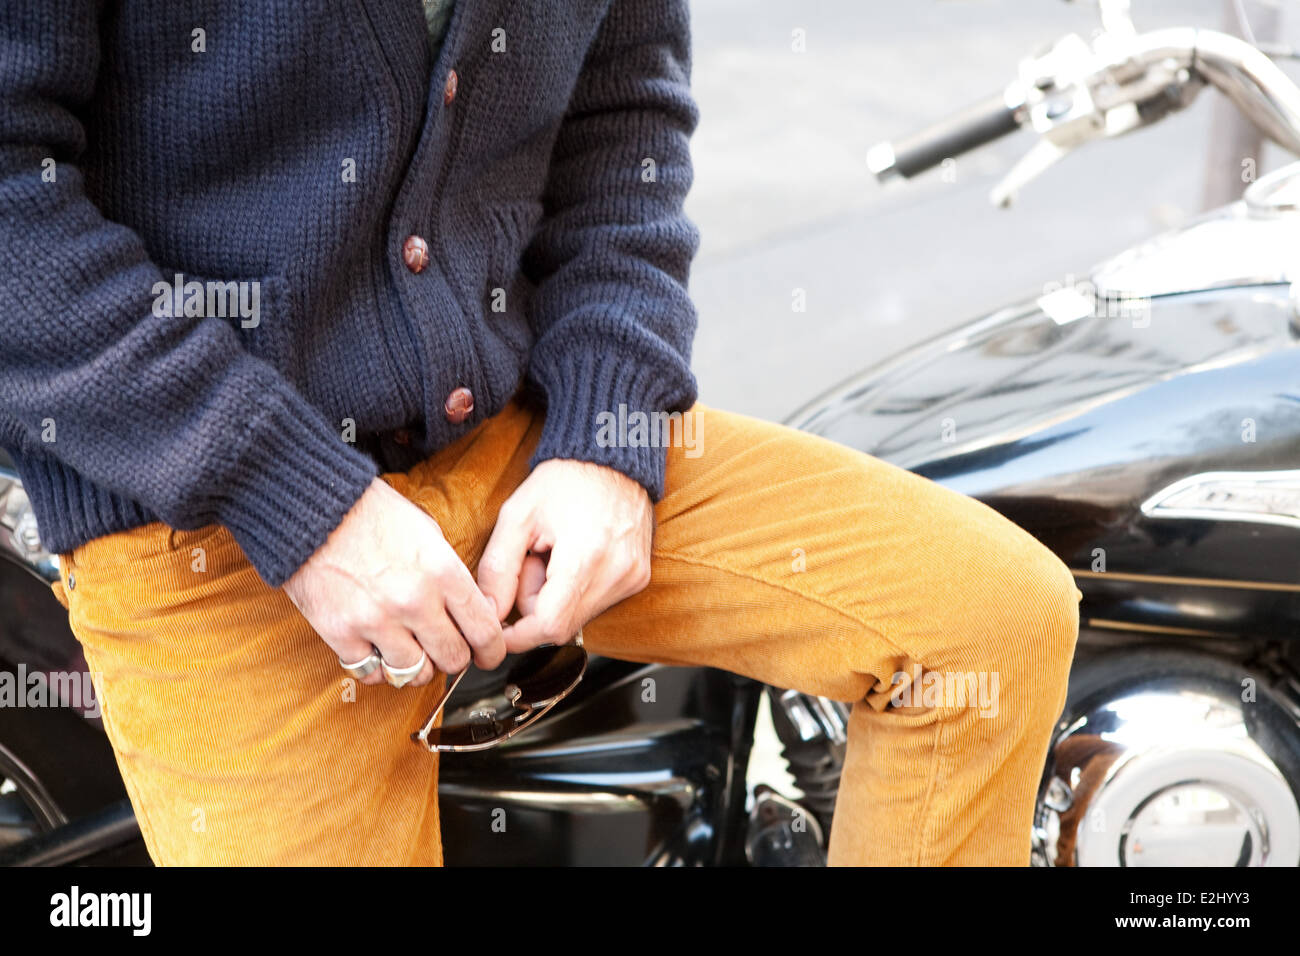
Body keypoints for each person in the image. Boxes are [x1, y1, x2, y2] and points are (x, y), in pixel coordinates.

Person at [0, 0, 1079, 865]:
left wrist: (608, 433)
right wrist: (298, 497)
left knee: (985, 619)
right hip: (214, 509)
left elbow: (624, 127)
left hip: (515, 436)